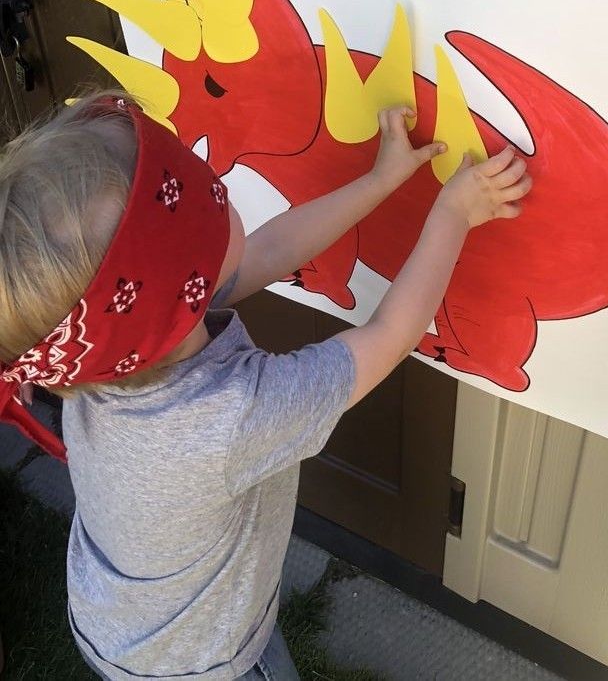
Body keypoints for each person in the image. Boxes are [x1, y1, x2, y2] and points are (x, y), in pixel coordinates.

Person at [0, 92, 531, 680]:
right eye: (204, 196)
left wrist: (381, 180)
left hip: (118, 623)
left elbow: (272, 250)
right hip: (206, 665)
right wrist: (453, 212)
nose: (217, 186)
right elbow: (389, 333)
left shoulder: (111, 354)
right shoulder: (229, 417)